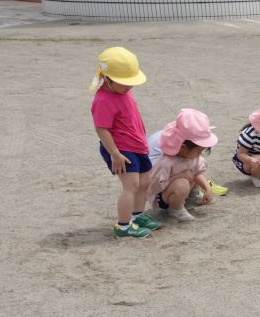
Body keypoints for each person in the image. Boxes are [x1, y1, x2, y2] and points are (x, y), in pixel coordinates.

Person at [90, 46, 159, 238]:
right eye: (125, 83)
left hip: (137, 145)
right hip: (120, 149)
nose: (130, 87)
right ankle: (123, 226)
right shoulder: (103, 99)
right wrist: (115, 154)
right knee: (131, 186)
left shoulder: (122, 91)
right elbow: (101, 129)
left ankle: (137, 216)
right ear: (109, 79)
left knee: (144, 182)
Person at [145, 108, 219, 222]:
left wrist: (207, 188)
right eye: (199, 151)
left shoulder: (192, 157)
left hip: (180, 188)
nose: (199, 154)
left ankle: (191, 196)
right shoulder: (166, 162)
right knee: (182, 183)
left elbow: (199, 173)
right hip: (163, 197)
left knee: (196, 170)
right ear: (183, 148)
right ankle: (175, 209)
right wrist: (180, 176)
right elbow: (153, 186)